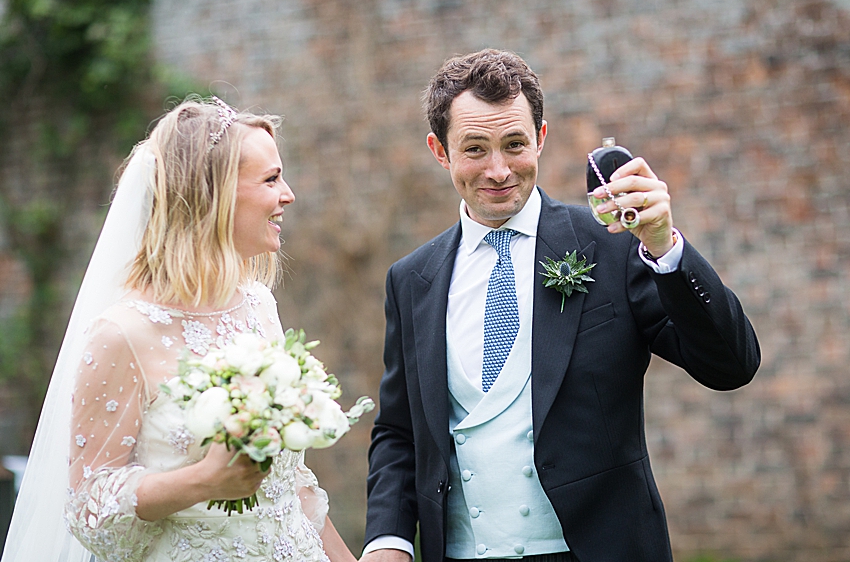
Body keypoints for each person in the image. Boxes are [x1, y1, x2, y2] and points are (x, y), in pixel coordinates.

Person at [362, 49, 760, 562]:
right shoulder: (411, 279)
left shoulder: (615, 247)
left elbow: (732, 366)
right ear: (440, 151)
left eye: (514, 144)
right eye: (476, 149)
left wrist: (665, 247)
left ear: (541, 138)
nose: (499, 170)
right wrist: (388, 538)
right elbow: (399, 430)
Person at [1, 98, 357, 562]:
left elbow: (290, 490)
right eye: (271, 179)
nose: (288, 194)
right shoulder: (122, 333)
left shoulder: (258, 306)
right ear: (213, 194)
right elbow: (90, 505)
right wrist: (204, 481)